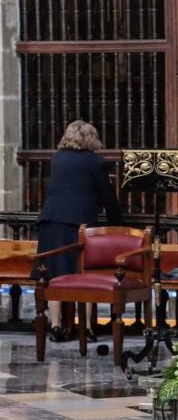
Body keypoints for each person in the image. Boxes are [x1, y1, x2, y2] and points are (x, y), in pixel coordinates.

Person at [32, 120, 122, 343]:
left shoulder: (58, 158)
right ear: (91, 137)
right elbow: (106, 194)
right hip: (79, 223)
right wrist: (116, 221)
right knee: (85, 273)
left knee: (53, 273)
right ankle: (88, 328)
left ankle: (55, 326)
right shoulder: (94, 161)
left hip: (52, 219)